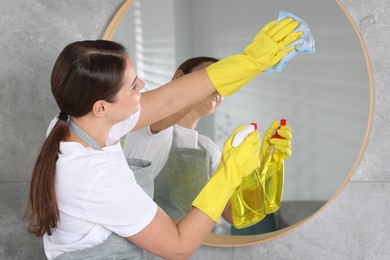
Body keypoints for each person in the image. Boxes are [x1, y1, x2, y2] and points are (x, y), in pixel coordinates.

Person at [25, 17, 302, 259]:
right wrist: (229, 173)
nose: (143, 86)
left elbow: (171, 97)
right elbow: (178, 247)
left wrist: (250, 61)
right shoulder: (94, 175)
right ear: (101, 106)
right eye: (133, 86)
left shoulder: (81, 123)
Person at [123, 57, 228, 223]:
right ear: (179, 77)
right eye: (209, 75)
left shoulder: (208, 149)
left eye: (223, 83)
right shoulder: (150, 125)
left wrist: (267, 165)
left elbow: (230, 214)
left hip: (170, 245)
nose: (216, 86)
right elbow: (167, 105)